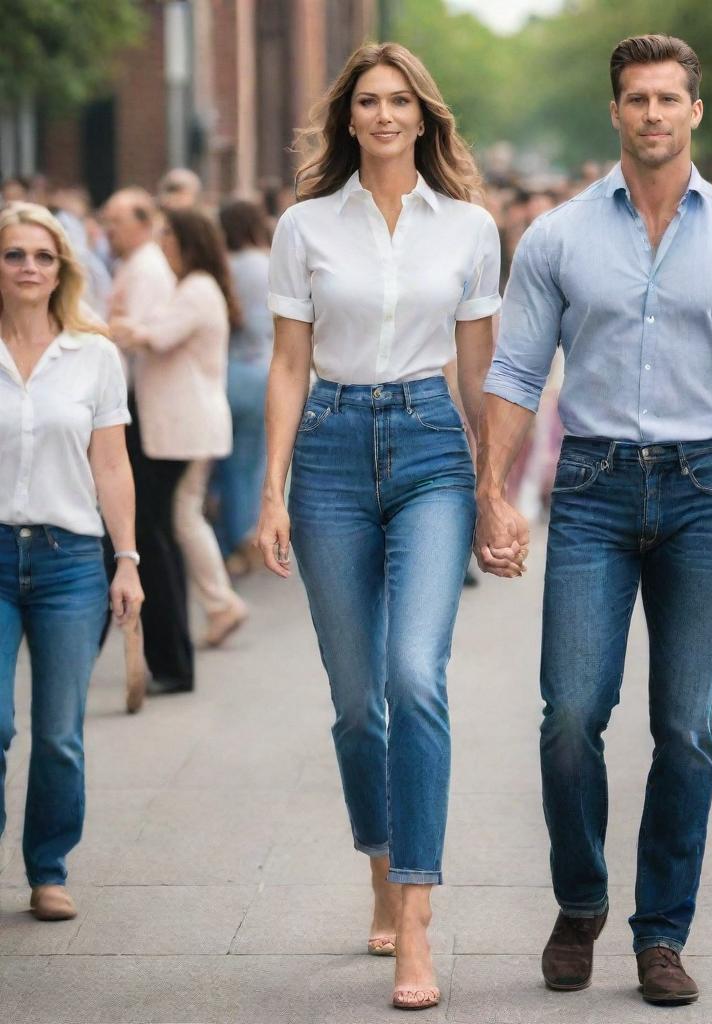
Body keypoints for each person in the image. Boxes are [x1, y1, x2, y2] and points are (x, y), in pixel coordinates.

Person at [475, 34, 712, 1007]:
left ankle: (661, 932)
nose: (654, 113)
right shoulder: (556, 239)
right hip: (592, 484)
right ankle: (580, 900)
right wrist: (493, 492)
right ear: (613, 112)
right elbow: (514, 372)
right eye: (636, 99)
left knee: (687, 727)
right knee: (571, 715)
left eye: (669, 98)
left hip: (705, 487)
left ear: (694, 110)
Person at [256, 43, 499, 1011]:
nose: (386, 115)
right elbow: (285, 364)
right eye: (370, 101)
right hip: (327, 446)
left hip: (432, 443)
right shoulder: (303, 226)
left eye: (402, 101)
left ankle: (416, 918)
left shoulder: (471, 227)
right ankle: (380, 853)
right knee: (358, 700)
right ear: (347, 118)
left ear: (423, 117)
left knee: (414, 677)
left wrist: (494, 486)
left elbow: (480, 373)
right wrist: (268, 490)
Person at [0, 203, 143, 921]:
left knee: (58, 733)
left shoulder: (94, 354)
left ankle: (48, 868)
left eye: (43, 257)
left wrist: (127, 560)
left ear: (62, 269)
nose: (29, 268)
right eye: (15, 255)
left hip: (70, 563)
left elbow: (112, 465)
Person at [111, 208, 247, 671]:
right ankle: (219, 602)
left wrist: (119, 328)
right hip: (189, 423)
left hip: (187, 425)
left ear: (187, 241)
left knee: (182, 519)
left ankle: (221, 601)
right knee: (185, 516)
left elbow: (158, 336)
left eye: (168, 234)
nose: (161, 241)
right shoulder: (194, 287)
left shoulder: (197, 288)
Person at [215, 199, 273, 573]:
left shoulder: (223, 267)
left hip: (226, 369)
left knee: (227, 463)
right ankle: (249, 530)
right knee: (254, 461)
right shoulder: (267, 264)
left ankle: (233, 539)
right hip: (263, 368)